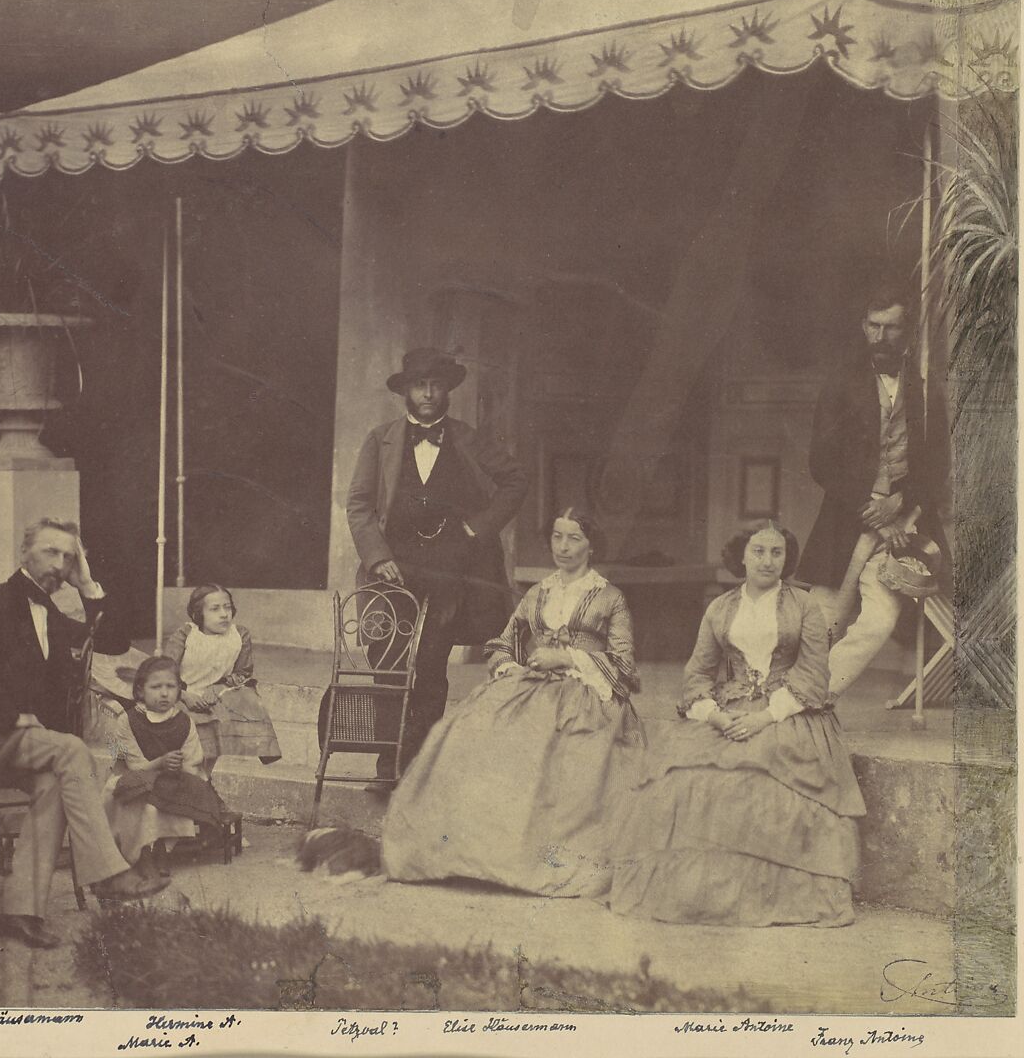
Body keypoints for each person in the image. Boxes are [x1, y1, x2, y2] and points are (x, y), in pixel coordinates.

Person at [0, 518, 170, 949]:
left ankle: (20, 912)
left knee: (54, 783)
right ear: (24, 552)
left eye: (68, 556)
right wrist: (14, 714)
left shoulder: (52, 615)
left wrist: (87, 584)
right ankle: (108, 875)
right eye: (51, 552)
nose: (60, 563)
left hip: (28, 748)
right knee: (72, 752)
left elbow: (112, 639)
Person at [608, 521, 867, 927]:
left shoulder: (805, 606)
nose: (767, 560)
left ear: (787, 559)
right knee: (686, 774)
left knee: (763, 772)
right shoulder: (721, 608)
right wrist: (713, 713)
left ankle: (772, 897)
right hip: (729, 709)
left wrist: (764, 717)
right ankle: (696, 896)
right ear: (741, 556)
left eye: (777, 552)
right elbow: (697, 674)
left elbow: (814, 675)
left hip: (790, 712)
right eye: (759, 551)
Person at [381, 507, 643, 897]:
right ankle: (469, 854)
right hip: (531, 686)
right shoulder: (539, 593)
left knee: (556, 752)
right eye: (557, 536)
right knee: (471, 729)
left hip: (586, 696)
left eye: (574, 538)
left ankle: (528, 860)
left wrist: (568, 658)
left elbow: (624, 666)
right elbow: (503, 642)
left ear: (591, 546)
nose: (564, 547)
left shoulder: (609, 598)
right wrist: (510, 669)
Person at [346, 347, 527, 789]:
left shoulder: (469, 437)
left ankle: (420, 767)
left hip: (450, 569)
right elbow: (359, 505)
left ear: (447, 391)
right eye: (420, 385)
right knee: (386, 659)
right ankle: (387, 766)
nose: (428, 393)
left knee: (429, 666)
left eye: (436, 385)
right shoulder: (380, 438)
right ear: (405, 391)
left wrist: (476, 529)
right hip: (394, 569)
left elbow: (515, 481)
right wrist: (379, 557)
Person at [798, 282, 950, 695]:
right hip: (847, 521)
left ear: (909, 330)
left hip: (905, 525)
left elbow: (937, 464)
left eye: (892, 327)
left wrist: (902, 500)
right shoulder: (840, 383)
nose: (881, 337)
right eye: (874, 326)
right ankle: (790, 700)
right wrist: (870, 506)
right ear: (863, 327)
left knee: (879, 621)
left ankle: (811, 698)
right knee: (820, 626)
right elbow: (821, 463)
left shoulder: (924, 388)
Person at [102, 656, 224, 880]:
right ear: (140, 691)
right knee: (143, 801)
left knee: (175, 793)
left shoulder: (184, 722)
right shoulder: (127, 721)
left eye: (171, 686)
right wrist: (159, 763)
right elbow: (131, 764)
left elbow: (192, 760)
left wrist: (178, 766)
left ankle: (163, 849)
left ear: (179, 690)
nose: (164, 693)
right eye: (156, 687)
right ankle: (143, 851)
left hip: (171, 778)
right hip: (134, 776)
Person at [163, 584, 281, 780]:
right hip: (181, 698)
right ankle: (197, 794)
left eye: (227, 607)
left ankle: (203, 791)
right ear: (198, 613)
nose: (224, 614)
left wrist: (219, 688)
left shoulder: (239, 635)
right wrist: (184, 695)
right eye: (215, 609)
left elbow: (243, 672)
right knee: (190, 761)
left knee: (207, 760)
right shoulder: (186, 634)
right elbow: (164, 672)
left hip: (217, 699)